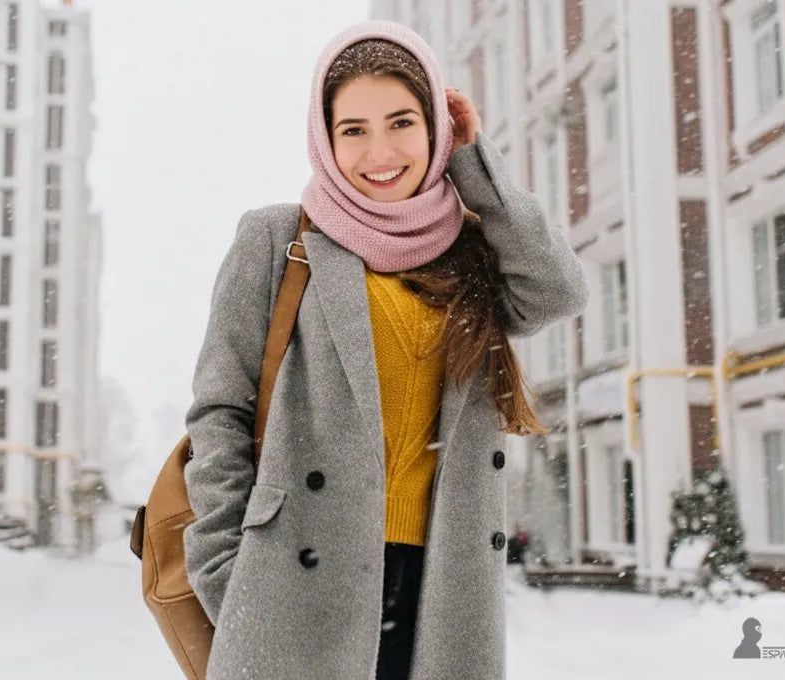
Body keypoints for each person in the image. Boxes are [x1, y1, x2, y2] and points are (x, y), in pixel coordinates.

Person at [182, 20, 588, 680]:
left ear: (436, 128)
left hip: (441, 592)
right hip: (294, 583)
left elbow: (559, 291)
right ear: (325, 138)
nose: (380, 151)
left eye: (402, 122)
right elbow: (219, 413)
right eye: (354, 130)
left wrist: (474, 164)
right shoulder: (277, 239)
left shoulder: (471, 254)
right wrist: (231, 572)